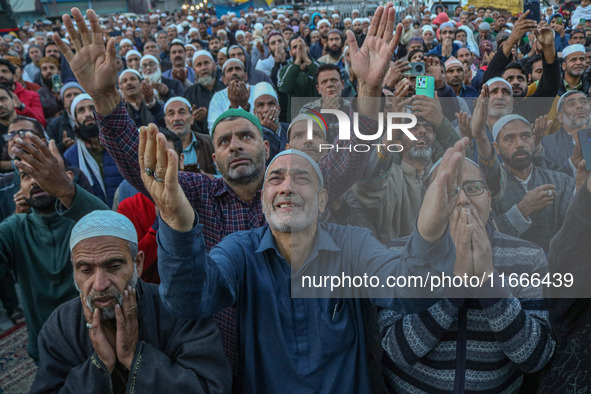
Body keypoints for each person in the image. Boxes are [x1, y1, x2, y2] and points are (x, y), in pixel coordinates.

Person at [52, 5, 404, 378]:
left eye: (246, 136)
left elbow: (349, 155)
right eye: (224, 141)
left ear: (267, 148)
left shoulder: (298, 187)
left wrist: (367, 88)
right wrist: (105, 99)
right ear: (214, 156)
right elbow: (145, 172)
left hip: (298, 355)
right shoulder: (198, 193)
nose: (235, 145)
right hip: (226, 356)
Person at [150, 135, 467, 392]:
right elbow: (188, 299)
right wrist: (176, 222)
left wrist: (429, 231)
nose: (287, 187)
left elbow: (407, 291)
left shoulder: (351, 244)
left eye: (301, 178)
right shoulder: (240, 251)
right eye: (276, 179)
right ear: (264, 199)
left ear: (323, 200)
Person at [380, 158, 555, 392]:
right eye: (448, 191)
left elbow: (537, 357)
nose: (462, 199)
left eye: (473, 188)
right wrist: (455, 285)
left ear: (489, 199)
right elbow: (397, 350)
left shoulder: (528, 257)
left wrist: (489, 283)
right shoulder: (396, 254)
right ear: (428, 204)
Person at [31, 210, 231, 393]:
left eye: (114, 266)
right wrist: (100, 363)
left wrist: (134, 356)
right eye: (86, 270)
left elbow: (212, 387)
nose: (99, 285)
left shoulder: (178, 310)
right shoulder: (61, 325)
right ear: (74, 271)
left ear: (138, 263)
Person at [0, 129, 107, 361]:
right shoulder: (14, 229)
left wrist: (67, 191)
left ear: (66, 175)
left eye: (42, 170)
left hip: (101, 342)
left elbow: (112, 229)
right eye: (25, 176)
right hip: (48, 351)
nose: (35, 180)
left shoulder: (84, 217)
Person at [471, 92, 576, 253]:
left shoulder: (561, 182)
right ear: (497, 147)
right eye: (509, 138)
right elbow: (483, 236)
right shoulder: (487, 190)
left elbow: (575, 230)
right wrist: (522, 210)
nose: (520, 144)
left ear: (534, 141)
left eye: (526, 136)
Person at [63, 94, 124, 207]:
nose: (88, 114)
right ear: (76, 121)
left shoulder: (118, 145)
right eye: (81, 111)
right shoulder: (70, 156)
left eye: (92, 108)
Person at [163, 96, 216, 174]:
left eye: (182, 112)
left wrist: (206, 178)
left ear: (192, 118)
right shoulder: (161, 146)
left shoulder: (210, 143)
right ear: (166, 122)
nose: (177, 118)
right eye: (171, 114)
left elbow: (225, 177)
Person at [183, 50, 225, 135]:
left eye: (206, 63)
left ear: (214, 66)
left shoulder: (225, 88)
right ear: (194, 70)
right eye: (199, 65)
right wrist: (196, 120)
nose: (203, 68)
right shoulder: (189, 93)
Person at [46, 81, 83, 152]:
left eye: (76, 94)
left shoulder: (93, 118)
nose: (73, 98)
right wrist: (63, 145)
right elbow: (50, 151)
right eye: (68, 95)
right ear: (63, 102)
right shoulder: (53, 125)